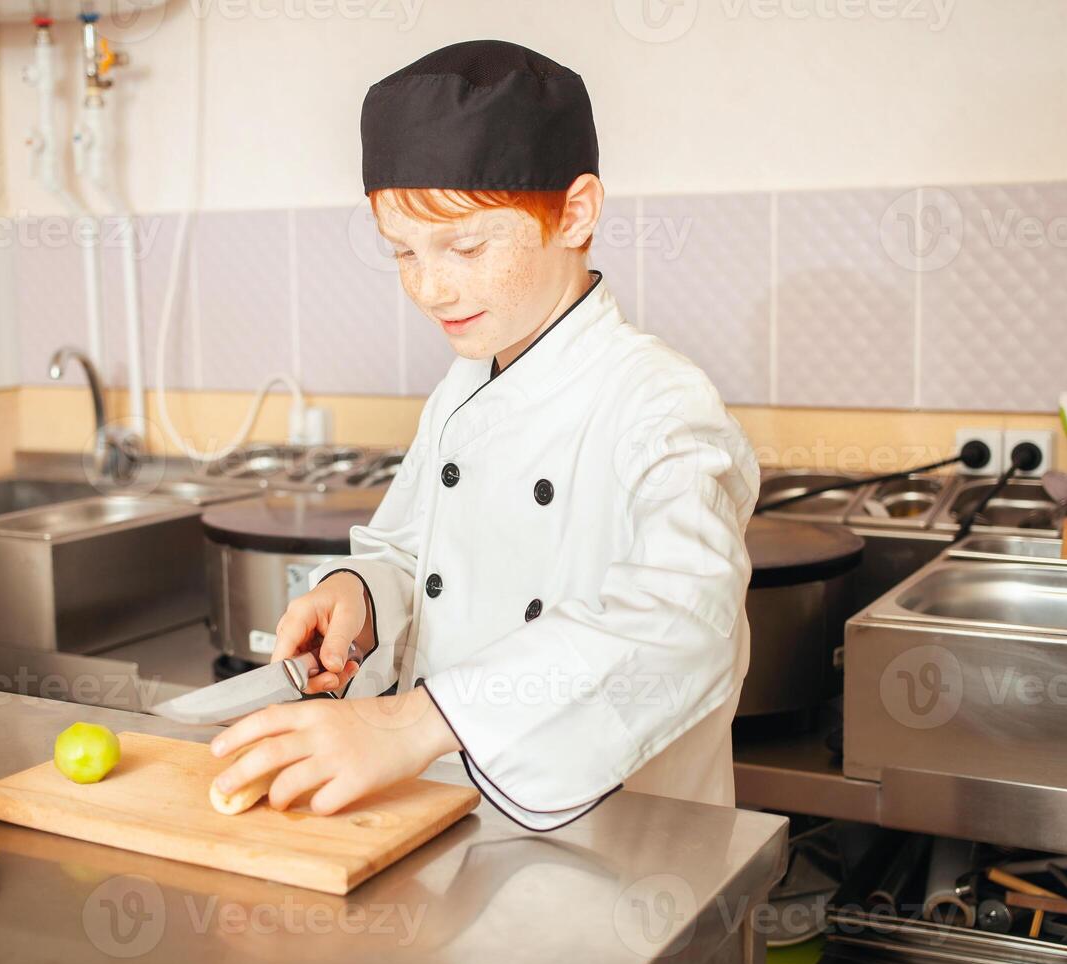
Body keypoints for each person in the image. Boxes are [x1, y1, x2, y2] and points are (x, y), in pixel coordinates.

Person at [211, 39, 760, 831]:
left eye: (467, 245)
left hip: (621, 867)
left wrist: (410, 724)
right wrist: (360, 595)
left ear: (575, 213)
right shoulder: (467, 383)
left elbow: (682, 624)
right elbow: (418, 553)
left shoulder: (659, 402)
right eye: (402, 251)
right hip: (453, 825)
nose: (430, 286)